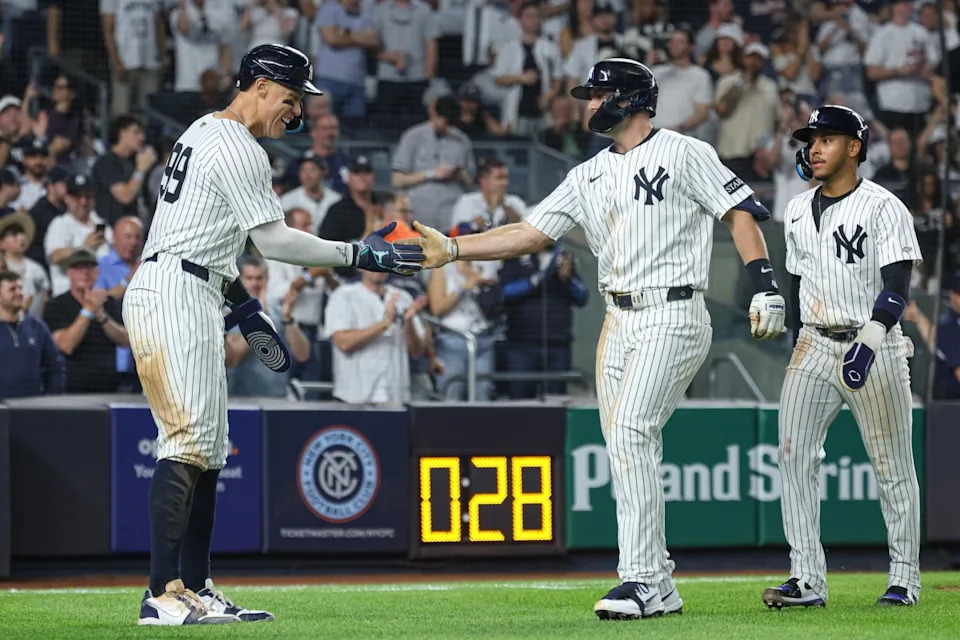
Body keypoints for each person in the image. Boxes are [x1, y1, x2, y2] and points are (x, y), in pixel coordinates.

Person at [411, 58, 786, 618]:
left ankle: (636, 579)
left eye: (598, 95)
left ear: (631, 100)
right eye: (588, 96)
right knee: (627, 445)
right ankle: (659, 582)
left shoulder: (684, 151)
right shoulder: (587, 173)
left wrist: (765, 287)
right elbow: (529, 232)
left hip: (674, 311)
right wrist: (457, 248)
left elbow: (739, 213)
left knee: (632, 430)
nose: (588, 104)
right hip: (618, 319)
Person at [121, 43, 423, 626]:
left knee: (207, 449)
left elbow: (198, 235)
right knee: (185, 442)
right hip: (174, 293)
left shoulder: (205, 130)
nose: (298, 113)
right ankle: (161, 594)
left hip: (194, 287)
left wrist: (242, 306)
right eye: (291, 98)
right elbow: (278, 243)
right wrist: (361, 252)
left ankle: (197, 586)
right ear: (259, 85)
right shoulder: (238, 146)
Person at [763, 105, 922, 609]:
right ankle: (806, 577)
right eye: (811, 139)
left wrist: (870, 342)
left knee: (892, 465)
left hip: (872, 342)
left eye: (827, 139)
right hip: (814, 340)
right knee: (792, 456)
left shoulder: (883, 206)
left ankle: (904, 579)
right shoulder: (794, 207)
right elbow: (796, 280)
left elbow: (898, 287)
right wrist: (794, 341)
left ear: (854, 147)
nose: (815, 147)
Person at [324, 267, 428, 403]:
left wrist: (409, 323)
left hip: (394, 397)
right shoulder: (343, 295)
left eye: (384, 261)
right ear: (360, 266)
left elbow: (416, 351)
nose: (379, 266)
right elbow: (343, 343)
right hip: (355, 397)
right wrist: (382, 325)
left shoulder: (402, 297)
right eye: (373, 260)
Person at [43, 248, 129, 393]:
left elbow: (126, 341)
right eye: (78, 268)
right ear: (69, 273)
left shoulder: (109, 303)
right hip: (72, 389)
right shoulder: (56, 305)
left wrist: (102, 316)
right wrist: (87, 311)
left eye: (89, 268)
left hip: (108, 388)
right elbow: (66, 345)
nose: (85, 273)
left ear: (97, 273)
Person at [225, 256, 310, 397]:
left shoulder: (280, 311)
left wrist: (288, 320)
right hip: (241, 399)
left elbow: (303, 355)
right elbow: (234, 358)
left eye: (259, 278)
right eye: (249, 278)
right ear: (240, 280)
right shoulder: (229, 314)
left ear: (267, 279)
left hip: (277, 398)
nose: (254, 283)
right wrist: (258, 317)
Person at [94, 216, 144, 392]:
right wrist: (129, 280)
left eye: (137, 237)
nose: (133, 242)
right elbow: (99, 298)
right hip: (113, 358)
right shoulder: (101, 265)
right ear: (114, 237)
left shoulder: (149, 265)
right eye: (128, 237)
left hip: (148, 357)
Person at [0, 270, 64, 400]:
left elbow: (55, 366)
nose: (19, 293)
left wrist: (51, 399)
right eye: (12, 289)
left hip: (31, 408)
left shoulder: (36, 326)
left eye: (20, 288)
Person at [90, 116, 158, 226]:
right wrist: (140, 172)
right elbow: (125, 196)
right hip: (114, 230)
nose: (142, 138)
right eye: (136, 132)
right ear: (122, 133)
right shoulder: (107, 162)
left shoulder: (133, 162)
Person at [0, 213, 49, 317]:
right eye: (14, 234)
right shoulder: (1, 266)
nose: (21, 238)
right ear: (2, 243)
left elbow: (44, 297)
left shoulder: (37, 268)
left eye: (22, 233)